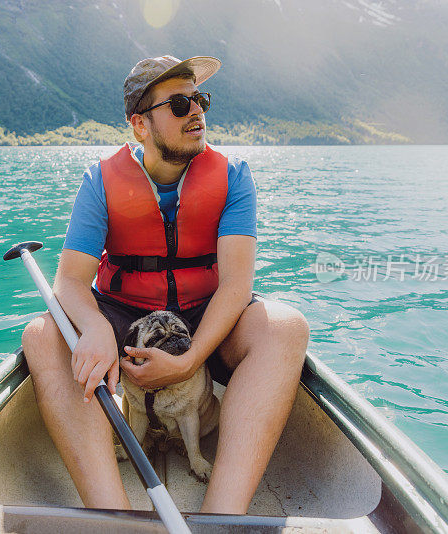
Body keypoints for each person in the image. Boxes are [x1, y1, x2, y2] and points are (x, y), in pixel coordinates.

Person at [21, 55, 309, 514]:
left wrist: (190, 360)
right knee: (43, 334)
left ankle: (220, 518)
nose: (196, 111)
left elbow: (235, 286)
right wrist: (96, 330)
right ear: (140, 125)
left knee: (286, 327)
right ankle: (116, 519)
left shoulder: (234, 176)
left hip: (203, 314)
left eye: (199, 99)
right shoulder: (100, 180)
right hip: (122, 314)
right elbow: (71, 281)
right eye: (178, 104)